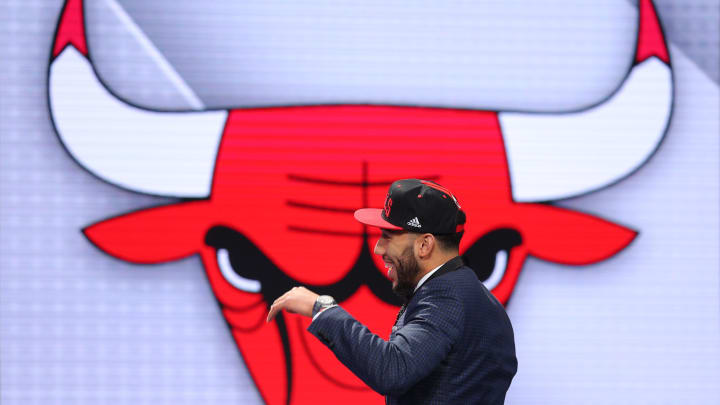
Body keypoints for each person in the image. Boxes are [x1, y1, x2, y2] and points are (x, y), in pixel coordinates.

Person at [267, 179, 517, 404]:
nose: (378, 249)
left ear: (424, 244)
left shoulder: (447, 297)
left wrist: (322, 308)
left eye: (387, 236)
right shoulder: (464, 292)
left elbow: (393, 369)